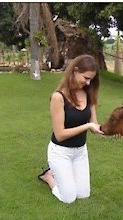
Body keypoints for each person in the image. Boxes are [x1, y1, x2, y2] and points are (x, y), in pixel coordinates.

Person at [38, 54, 103, 203]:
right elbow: (60, 134)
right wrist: (87, 126)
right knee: (68, 198)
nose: (88, 83)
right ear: (75, 71)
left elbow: (94, 124)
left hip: (80, 152)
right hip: (60, 152)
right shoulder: (58, 97)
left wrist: (107, 130)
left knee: (83, 194)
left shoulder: (88, 93)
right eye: (86, 78)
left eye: (91, 79)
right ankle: (48, 176)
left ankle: (64, 175)